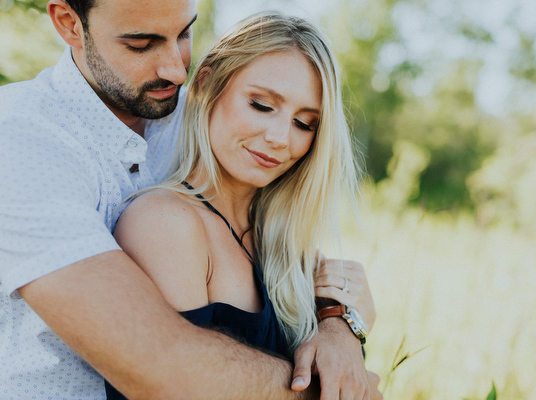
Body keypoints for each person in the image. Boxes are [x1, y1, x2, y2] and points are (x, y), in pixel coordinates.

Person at [0, 0, 377, 399]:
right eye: (142, 43)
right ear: (68, 23)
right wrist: (320, 392)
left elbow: (305, 269)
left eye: (183, 34)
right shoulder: (21, 143)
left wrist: (339, 326)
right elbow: (161, 367)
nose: (177, 70)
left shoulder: (191, 112)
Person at [103, 11, 380, 400]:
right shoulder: (166, 223)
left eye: (305, 123)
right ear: (207, 84)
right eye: (262, 105)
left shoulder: (280, 240)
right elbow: (174, 386)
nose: (281, 138)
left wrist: (343, 327)